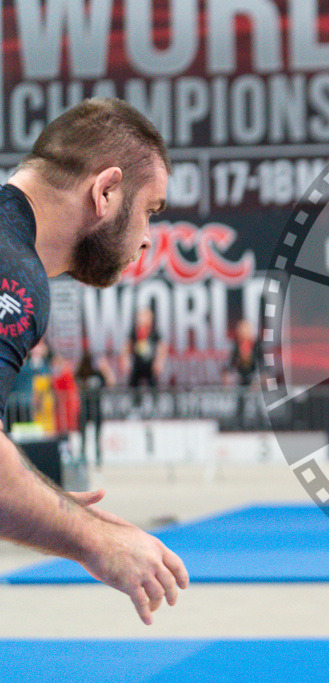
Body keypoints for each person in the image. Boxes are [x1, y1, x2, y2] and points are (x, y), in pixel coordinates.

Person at [0, 97, 188, 624]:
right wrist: (93, 540)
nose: (148, 238)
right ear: (105, 191)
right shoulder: (13, 271)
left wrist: (38, 503)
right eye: (149, 210)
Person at [75, 352, 115, 467]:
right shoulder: (80, 374)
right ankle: (82, 459)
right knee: (83, 437)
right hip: (84, 409)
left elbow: (111, 383)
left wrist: (105, 368)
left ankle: (98, 460)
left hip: (96, 409)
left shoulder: (97, 374)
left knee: (97, 437)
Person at [122, 306, 166, 388]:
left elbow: (162, 347)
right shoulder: (134, 332)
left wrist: (159, 362)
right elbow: (127, 346)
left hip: (150, 366)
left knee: (153, 386)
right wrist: (125, 360)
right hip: (137, 365)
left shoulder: (154, 332)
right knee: (132, 385)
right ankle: (134, 400)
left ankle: (155, 399)